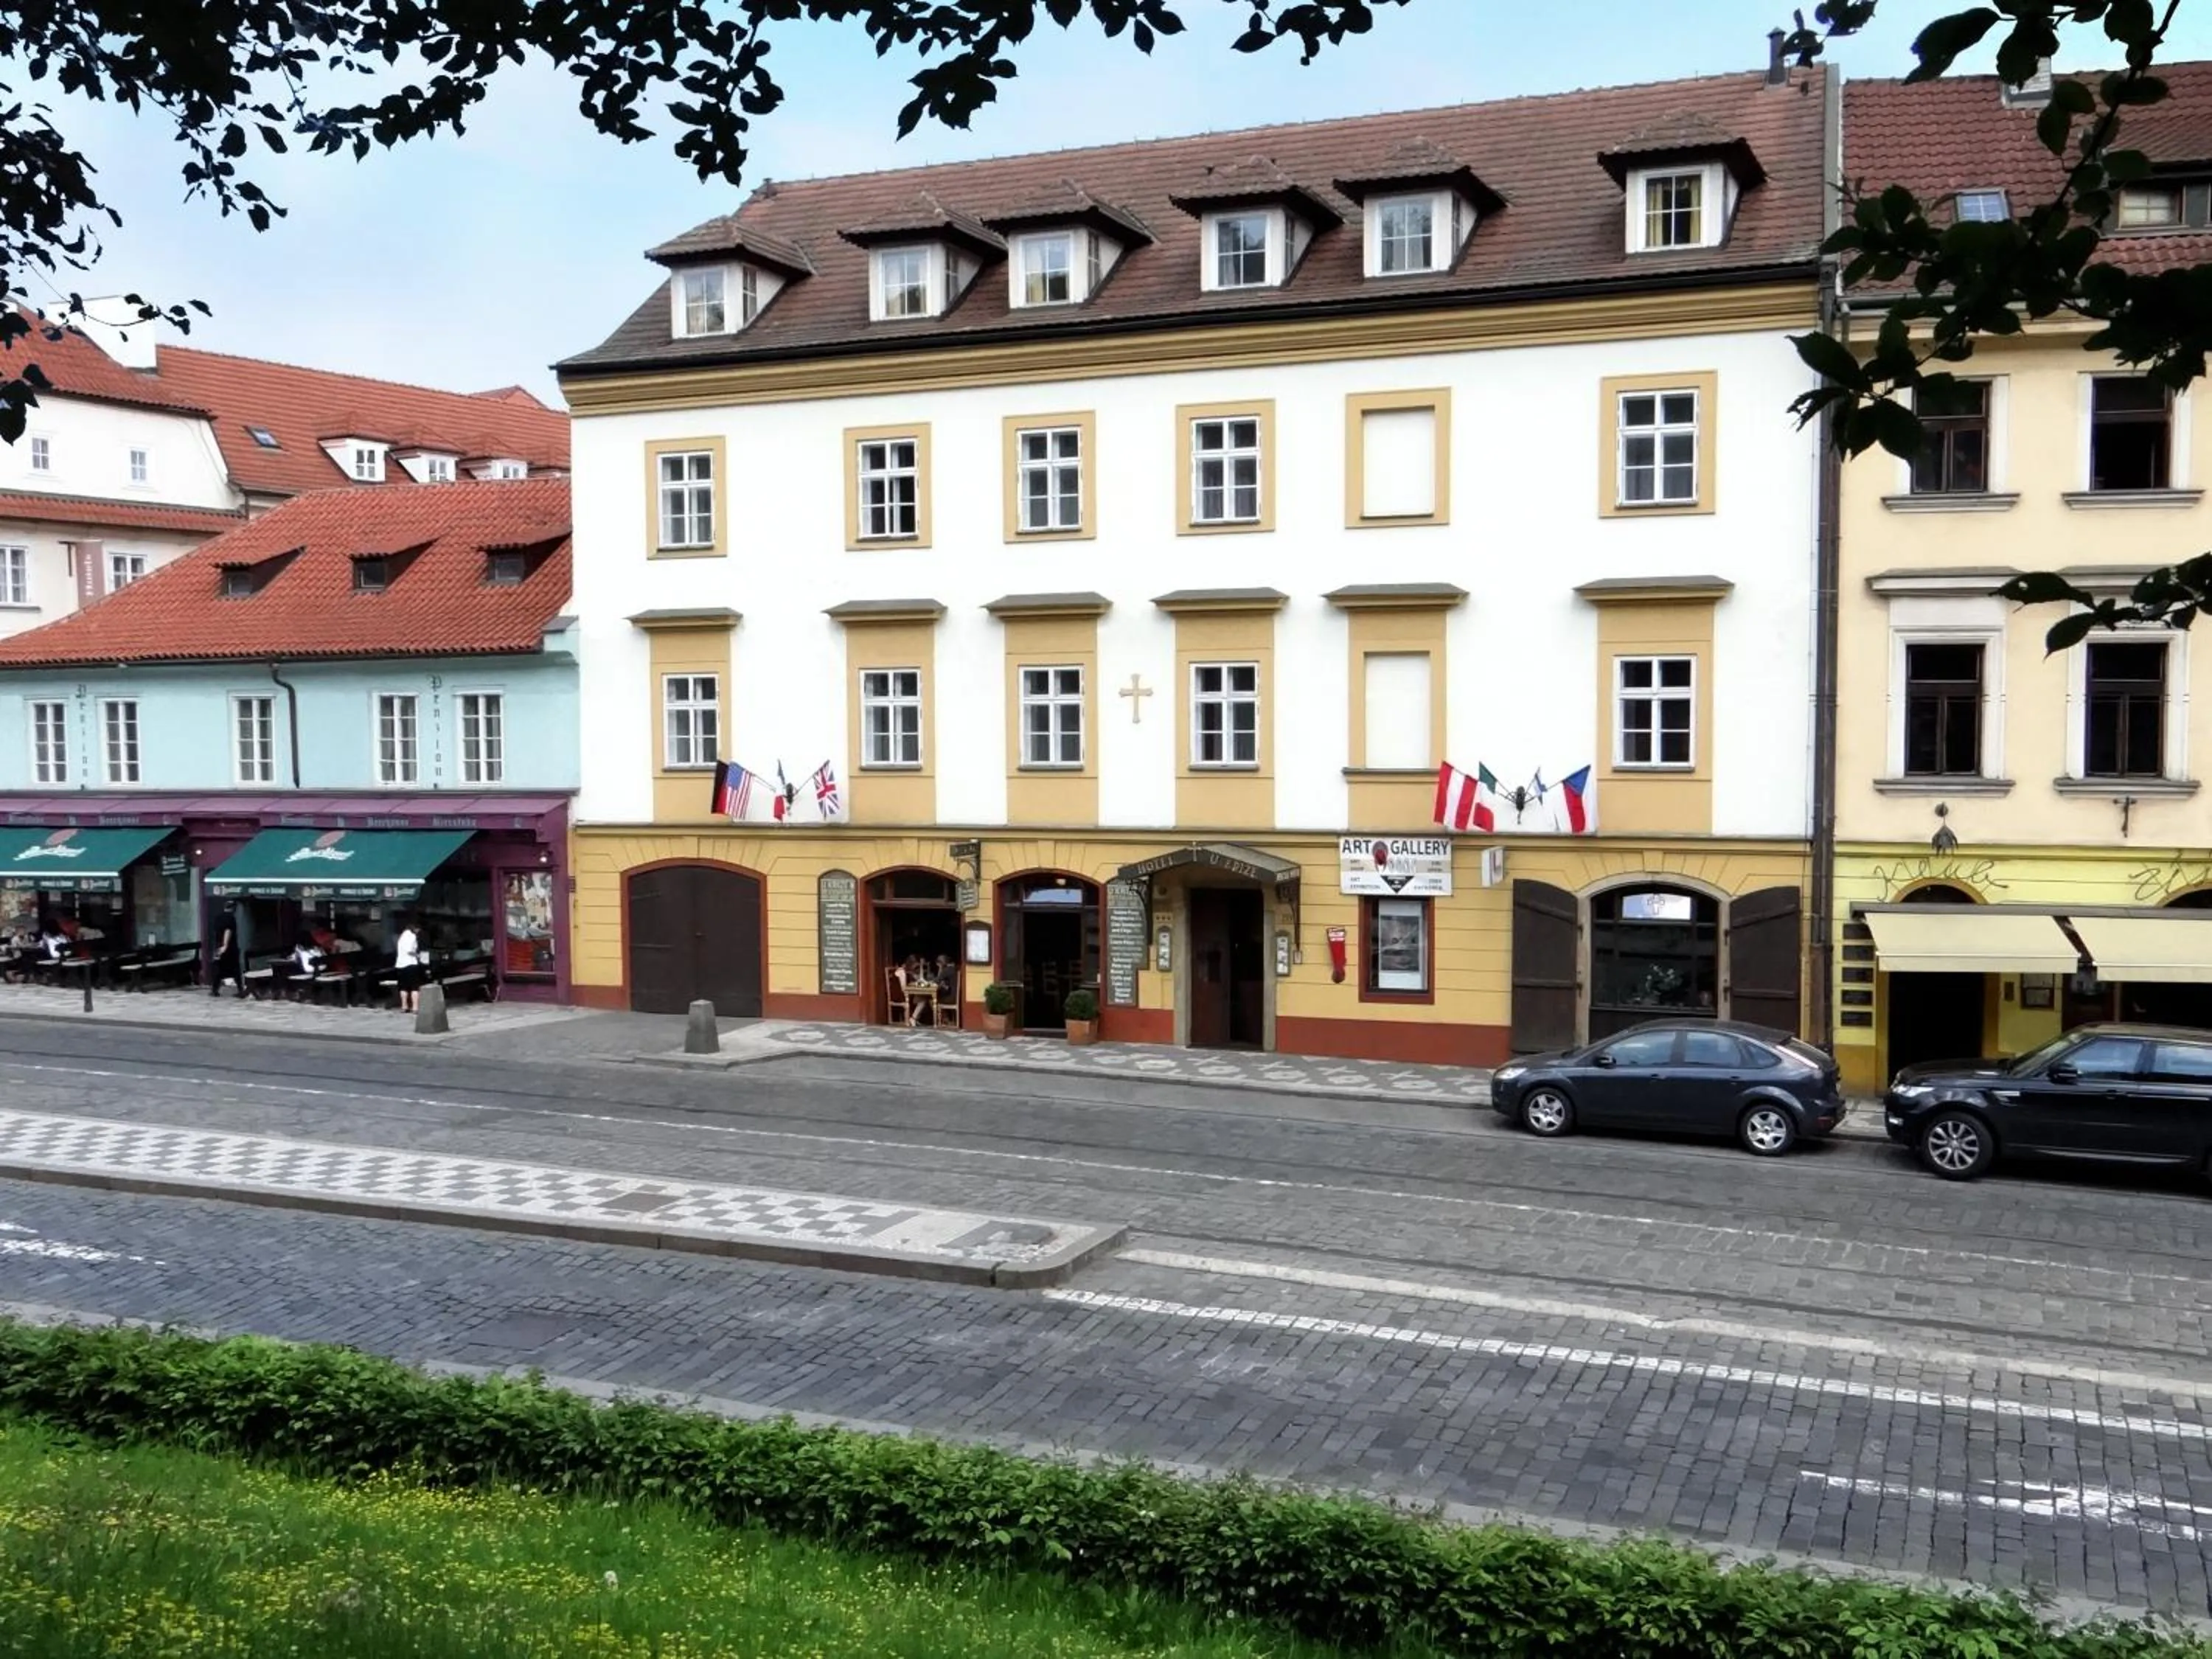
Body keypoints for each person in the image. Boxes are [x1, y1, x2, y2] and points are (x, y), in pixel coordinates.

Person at [209, 909, 244, 998]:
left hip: (218, 946)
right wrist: (225, 945)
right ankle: (240, 990)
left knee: (218, 968)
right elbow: (228, 931)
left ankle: (214, 990)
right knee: (235, 969)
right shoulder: (230, 918)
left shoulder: (217, 918)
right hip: (229, 948)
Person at [394, 914, 424, 1014]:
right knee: (414, 987)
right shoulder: (412, 936)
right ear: (415, 929)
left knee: (403, 987)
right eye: (418, 930)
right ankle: (415, 1008)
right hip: (411, 964)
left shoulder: (401, 936)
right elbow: (410, 951)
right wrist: (419, 956)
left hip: (400, 965)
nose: (419, 932)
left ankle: (404, 1006)